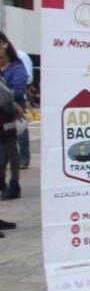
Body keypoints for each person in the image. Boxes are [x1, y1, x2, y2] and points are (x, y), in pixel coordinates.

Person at [0, 32, 27, 200]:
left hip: (9, 115)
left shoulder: (17, 67)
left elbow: (17, 92)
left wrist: (9, 97)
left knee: (10, 150)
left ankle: (14, 183)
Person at [14, 47, 31, 169]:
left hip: (17, 96)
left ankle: (24, 157)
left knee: (21, 128)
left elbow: (28, 77)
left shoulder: (21, 55)